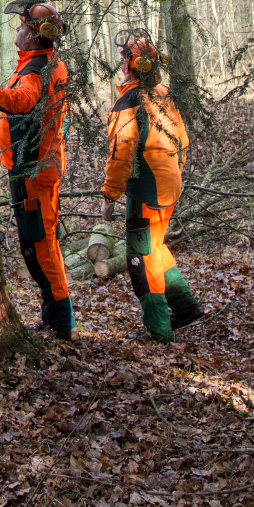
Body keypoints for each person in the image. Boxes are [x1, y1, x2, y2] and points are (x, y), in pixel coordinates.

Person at [101, 31, 202, 343]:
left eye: (124, 60)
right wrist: (176, 170)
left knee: (141, 258)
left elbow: (121, 150)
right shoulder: (162, 92)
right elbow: (182, 140)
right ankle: (185, 307)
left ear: (130, 66)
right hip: (169, 181)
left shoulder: (129, 101)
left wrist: (109, 195)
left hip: (147, 187)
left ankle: (158, 329)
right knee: (155, 247)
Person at [0, 0, 75, 340]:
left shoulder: (38, 68)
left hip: (34, 170)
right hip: (34, 165)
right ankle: (55, 316)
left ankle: (61, 322)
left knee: (40, 245)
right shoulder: (39, 63)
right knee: (40, 244)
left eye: (23, 25)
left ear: (36, 34)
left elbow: (23, 101)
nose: (18, 29)